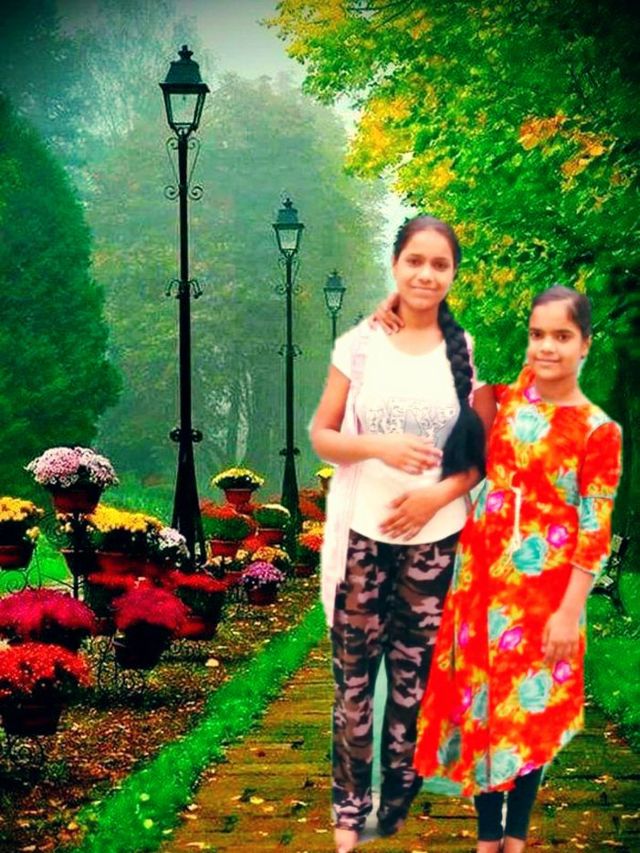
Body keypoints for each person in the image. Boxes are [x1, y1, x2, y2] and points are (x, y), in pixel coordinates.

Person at [378, 284, 622, 852]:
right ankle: (489, 840)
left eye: (562, 336)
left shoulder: (598, 430)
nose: (547, 347)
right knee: (482, 707)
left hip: (546, 597)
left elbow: (595, 530)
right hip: (480, 586)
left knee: (530, 711)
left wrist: (569, 613)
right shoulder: (503, 403)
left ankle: (516, 837)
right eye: (538, 335)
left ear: (585, 343)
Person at [310, 215, 494, 853]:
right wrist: (378, 447)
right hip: (363, 535)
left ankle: (396, 791)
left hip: (435, 539)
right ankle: (349, 807)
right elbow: (323, 435)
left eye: (440, 264)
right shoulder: (359, 346)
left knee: (412, 681)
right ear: (396, 264)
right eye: (415, 260)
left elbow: (475, 455)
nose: (426, 274)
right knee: (354, 680)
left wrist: (435, 497)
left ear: (453, 275)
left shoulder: (463, 348)